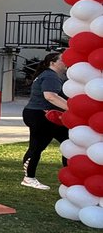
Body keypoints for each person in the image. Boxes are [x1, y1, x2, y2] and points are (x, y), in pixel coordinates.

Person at [21, 50, 69, 189]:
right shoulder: (50, 76)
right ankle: (29, 177)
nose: (66, 62)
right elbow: (50, 96)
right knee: (37, 147)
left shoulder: (49, 75)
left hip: (42, 115)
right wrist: (71, 108)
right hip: (41, 115)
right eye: (62, 59)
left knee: (69, 142)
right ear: (52, 63)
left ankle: (70, 176)